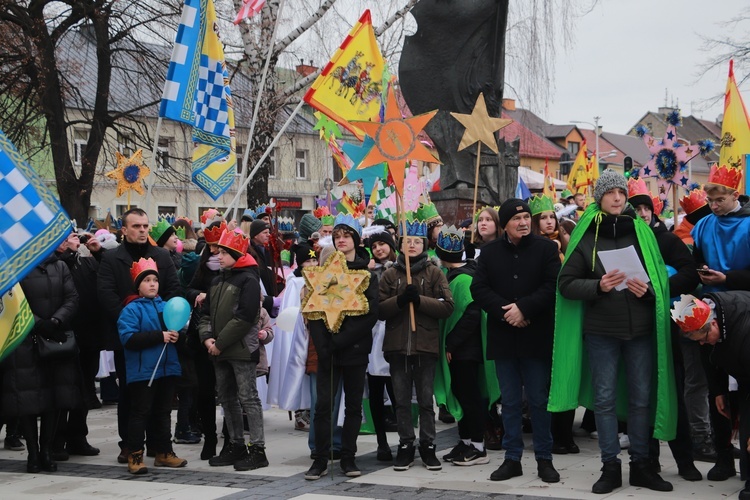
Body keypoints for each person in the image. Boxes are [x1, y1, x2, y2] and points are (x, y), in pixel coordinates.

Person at [550, 169, 676, 494]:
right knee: (604, 401)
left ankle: (642, 466)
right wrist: (598, 286)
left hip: (640, 331)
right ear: (600, 198)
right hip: (602, 332)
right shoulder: (586, 235)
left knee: (641, 400)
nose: (617, 197)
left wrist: (647, 293)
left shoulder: (641, 231)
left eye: (621, 191)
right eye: (610, 193)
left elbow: (660, 281)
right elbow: (565, 284)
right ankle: (610, 467)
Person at [471, 198, 561, 483]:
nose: (523, 223)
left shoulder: (547, 249)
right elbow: (479, 288)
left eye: (525, 218)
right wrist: (506, 312)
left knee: (538, 399)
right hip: (504, 336)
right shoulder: (489, 252)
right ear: (505, 225)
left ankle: (544, 459)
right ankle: (512, 459)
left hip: (536, 335)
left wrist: (525, 308)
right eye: (515, 219)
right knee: (509, 402)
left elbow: (551, 285)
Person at [628, 178, 703, 481]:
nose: (643, 213)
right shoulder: (626, 239)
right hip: (637, 327)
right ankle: (649, 462)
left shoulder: (668, 240)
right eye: (637, 208)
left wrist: (659, 289)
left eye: (646, 207)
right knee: (642, 396)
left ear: (655, 210)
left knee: (674, 394)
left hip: (669, 326)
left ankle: (685, 461)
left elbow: (689, 273)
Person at [98, 208, 181, 463]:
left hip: (162, 341)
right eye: (136, 226)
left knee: (161, 398)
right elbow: (106, 294)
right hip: (129, 341)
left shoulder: (162, 257)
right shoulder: (112, 259)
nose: (143, 230)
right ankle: (130, 446)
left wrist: (164, 324)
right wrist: (131, 320)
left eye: (145, 226)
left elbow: (173, 291)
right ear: (124, 230)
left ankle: (159, 446)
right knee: (131, 396)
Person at [304, 215, 380, 480]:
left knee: (353, 407)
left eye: (346, 235)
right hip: (328, 352)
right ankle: (320, 459)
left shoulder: (367, 274)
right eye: (337, 236)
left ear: (356, 240)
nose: (341, 240)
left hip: (354, 349)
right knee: (323, 406)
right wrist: (324, 345)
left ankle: (348, 457)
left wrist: (341, 339)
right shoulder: (325, 273)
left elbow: (370, 313)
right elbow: (314, 310)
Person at [378, 214, 454, 472]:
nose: (412, 245)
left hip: (425, 346)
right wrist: (400, 301)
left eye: (417, 241)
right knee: (401, 400)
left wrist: (420, 301)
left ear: (424, 245)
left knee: (425, 400)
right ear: (399, 244)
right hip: (398, 347)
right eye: (407, 241)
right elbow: (379, 309)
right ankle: (405, 445)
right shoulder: (390, 274)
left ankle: (428, 445)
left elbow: (447, 306)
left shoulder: (434, 273)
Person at [691, 164, 750, 481]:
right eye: (710, 201)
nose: (713, 207)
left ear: (734, 195)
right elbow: (693, 264)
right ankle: (724, 457)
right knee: (716, 391)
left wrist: (728, 277)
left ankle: (747, 461)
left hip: (744, 319)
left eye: (719, 201)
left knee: (745, 392)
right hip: (709, 318)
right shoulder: (703, 226)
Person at [3, 251, 80, 473]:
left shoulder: (60, 266)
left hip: (56, 338)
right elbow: (13, 301)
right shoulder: (15, 266)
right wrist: (37, 323)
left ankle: (46, 450)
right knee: (27, 398)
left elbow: (72, 297)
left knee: (55, 397)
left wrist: (56, 320)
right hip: (24, 339)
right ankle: (33, 453)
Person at [199, 228, 268, 472]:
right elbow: (205, 314)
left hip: (239, 349)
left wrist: (219, 343)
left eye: (224, 253)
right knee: (227, 399)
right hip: (218, 349)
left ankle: (257, 449)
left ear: (237, 254)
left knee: (248, 398)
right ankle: (235, 444)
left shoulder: (249, 279)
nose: (218, 255)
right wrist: (207, 338)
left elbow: (245, 317)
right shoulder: (217, 280)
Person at [672, 292, 750, 500]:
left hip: (746, 360)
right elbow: (710, 359)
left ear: (714, 324)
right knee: (720, 406)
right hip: (736, 360)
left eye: (704, 339)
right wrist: (718, 392)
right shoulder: (706, 332)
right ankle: (725, 461)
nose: (702, 344)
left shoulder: (745, 328)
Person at [436, 225, 499, 466]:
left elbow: (471, 315)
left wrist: (451, 343)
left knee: (470, 397)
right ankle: (465, 442)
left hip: (465, 351)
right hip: (462, 349)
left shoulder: (462, 279)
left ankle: (478, 447)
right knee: (462, 396)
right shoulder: (458, 275)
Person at [117, 258, 187, 474]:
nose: (152, 284)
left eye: (155, 280)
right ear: (138, 286)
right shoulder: (131, 309)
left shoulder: (166, 306)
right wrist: (160, 336)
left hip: (168, 368)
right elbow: (128, 338)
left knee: (163, 412)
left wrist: (178, 336)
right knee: (140, 412)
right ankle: (135, 454)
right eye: (147, 280)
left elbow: (179, 330)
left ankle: (164, 452)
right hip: (143, 371)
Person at [528, 194, 577, 455]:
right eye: (543, 218)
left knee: (565, 375)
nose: (549, 222)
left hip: (564, 318)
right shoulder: (534, 249)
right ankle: (552, 435)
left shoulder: (567, 247)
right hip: (544, 319)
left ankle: (566, 434)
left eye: (551, 217)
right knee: (546, 381)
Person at [52, 230, 102, 460]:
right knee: (64, 389)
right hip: (64, 335)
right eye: (67, 237)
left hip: (89, 334)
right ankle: (56, 440)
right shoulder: (55, 263)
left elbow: (102, 279)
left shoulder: (85, 260)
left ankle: (77, 437)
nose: (73, 239)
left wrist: (97, 253)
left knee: (85, 389)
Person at [186, 220, 227, 460]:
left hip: (227, 335)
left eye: (218, 246)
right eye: (210, 246)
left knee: (228, 392)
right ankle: (209, 437)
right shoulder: (201, 267)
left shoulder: (235, 267)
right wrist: (197, 295)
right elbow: (187, 289)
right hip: (203, 335)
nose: (213, 251)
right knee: (204, 390)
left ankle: (230, 438)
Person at [365, 227, 399, 461]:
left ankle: (406, 441)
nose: (378, 249)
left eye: (382, 244)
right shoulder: (367, 274)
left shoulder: (401, 269)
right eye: (375, 246)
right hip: (374, 337)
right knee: (376, 393)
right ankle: (382, 442)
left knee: (399, 394)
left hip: (396, 335)